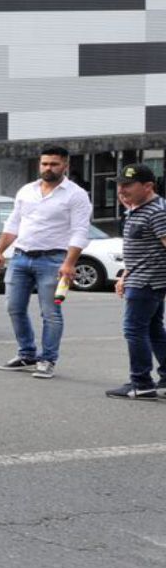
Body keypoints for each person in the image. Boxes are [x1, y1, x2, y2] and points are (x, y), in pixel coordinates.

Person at [0, 145, 92, 379]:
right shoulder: (27, 190)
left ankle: (47, 359)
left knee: (50, 313)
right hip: (20, 257)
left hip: (53, 259)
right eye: (44, 163)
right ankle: (27, 354)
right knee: (14, 308)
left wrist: (69, 263)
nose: (48, 168)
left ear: (65, 166)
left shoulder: (76, 194)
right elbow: (13, 224)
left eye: (54, 164)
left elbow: (80, 232)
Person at [108, 164, 166, 399]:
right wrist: (126, 275)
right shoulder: (138, 208)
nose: (121, 190)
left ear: (148, 186)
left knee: (134, 331)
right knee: (153, 330)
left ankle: (141, 383)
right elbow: (141, 251)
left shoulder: (157, 212)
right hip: (142, 278)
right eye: (119, 185)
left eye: (128, 185)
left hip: (148, 282)